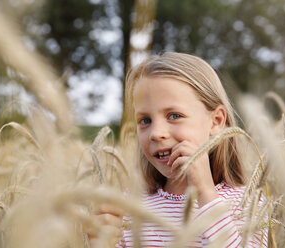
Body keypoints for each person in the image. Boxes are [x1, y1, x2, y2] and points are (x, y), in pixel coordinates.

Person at [94, 52, 267, 247]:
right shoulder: (130, 205)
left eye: (174, 115)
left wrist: (205, 192)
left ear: (216, 121)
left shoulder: (246, 203)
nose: (156, 133)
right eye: (145, 120)